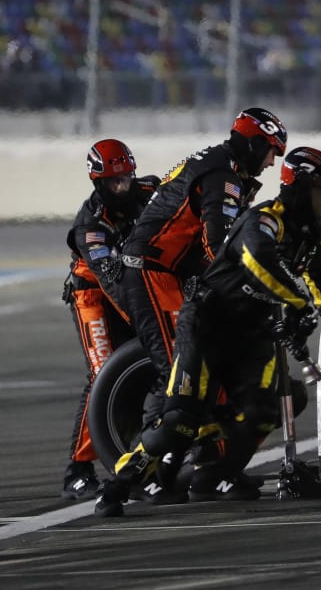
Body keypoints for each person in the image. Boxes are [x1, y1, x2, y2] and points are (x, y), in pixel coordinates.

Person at [95, 147, 321, 517]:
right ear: (299, 187)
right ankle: (119, 484)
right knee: (181, 418)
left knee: (263, 410)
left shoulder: (316, 228)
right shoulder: (263, 221)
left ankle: (214, 477)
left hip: (252, 330)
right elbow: (258, 262)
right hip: (208, 322)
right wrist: (297, 304)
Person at [117, 108, 286, 403]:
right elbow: (218, 244)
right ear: (255, 144)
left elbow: (236, 240)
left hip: (172, 272)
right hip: (152, 271)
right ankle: (159, 431)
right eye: (272, 152)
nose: (272, 162)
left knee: (210, 355)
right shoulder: (222, 176)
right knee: (182, 371)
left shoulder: (225, 168)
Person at [59, 139, 158, 500]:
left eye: (126, 178)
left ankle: (133, 456)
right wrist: (146, 318)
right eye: (115, 182)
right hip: (94, 295)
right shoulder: (91, 224)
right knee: (104, 373)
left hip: (134, 284)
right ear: (98, 182)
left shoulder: (151, 190)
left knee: (143, 370)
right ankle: (78, 470)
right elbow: (110, 279)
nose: (123, 186)